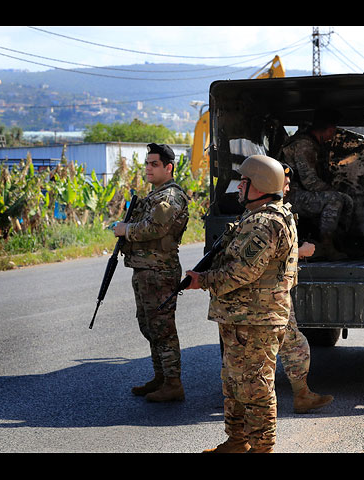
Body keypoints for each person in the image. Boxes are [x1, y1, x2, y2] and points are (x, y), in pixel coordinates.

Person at [185, 155, 298, 453]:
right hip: (243, 317)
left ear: (260, 185)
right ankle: (237, 441)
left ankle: (263, 448)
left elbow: (243, 271)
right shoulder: (257, 216)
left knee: (256, 387)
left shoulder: (265, 223)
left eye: (244, 182)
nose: (238, 187)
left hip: (257, 319)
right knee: (234, 383)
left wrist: (204, 280)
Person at [113, 143, 190, 402]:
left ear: (168, 167)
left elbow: (156, 227)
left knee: (163, 328)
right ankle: (161, 377)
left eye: (154, 164)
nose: (148, 168)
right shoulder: (157, 195)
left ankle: (173, 383)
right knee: (149, 326)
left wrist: (127, 230)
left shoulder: (170, 197)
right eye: (147, 163)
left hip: (160, 271)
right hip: (146, 270)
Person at [279, 162, 334, 413]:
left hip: (269, 295)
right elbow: (265, 257)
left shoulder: (272, 211)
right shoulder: (272, 216)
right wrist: (300, 252)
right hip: (267, 298)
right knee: (292, 345)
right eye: (285, 181)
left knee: (291, 345)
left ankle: (302, 395)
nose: (289, 187)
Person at [279, 108, 353, 260]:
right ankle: (327, 246)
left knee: (340, 198)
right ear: (330, 129)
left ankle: (334, 243)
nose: (333, 135)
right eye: (333, 131)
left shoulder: (309, 142)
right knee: (336, 199)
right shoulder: (304, 145)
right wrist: (334, 192)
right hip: (288, 196)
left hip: (292, 193)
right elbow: (310, 182)